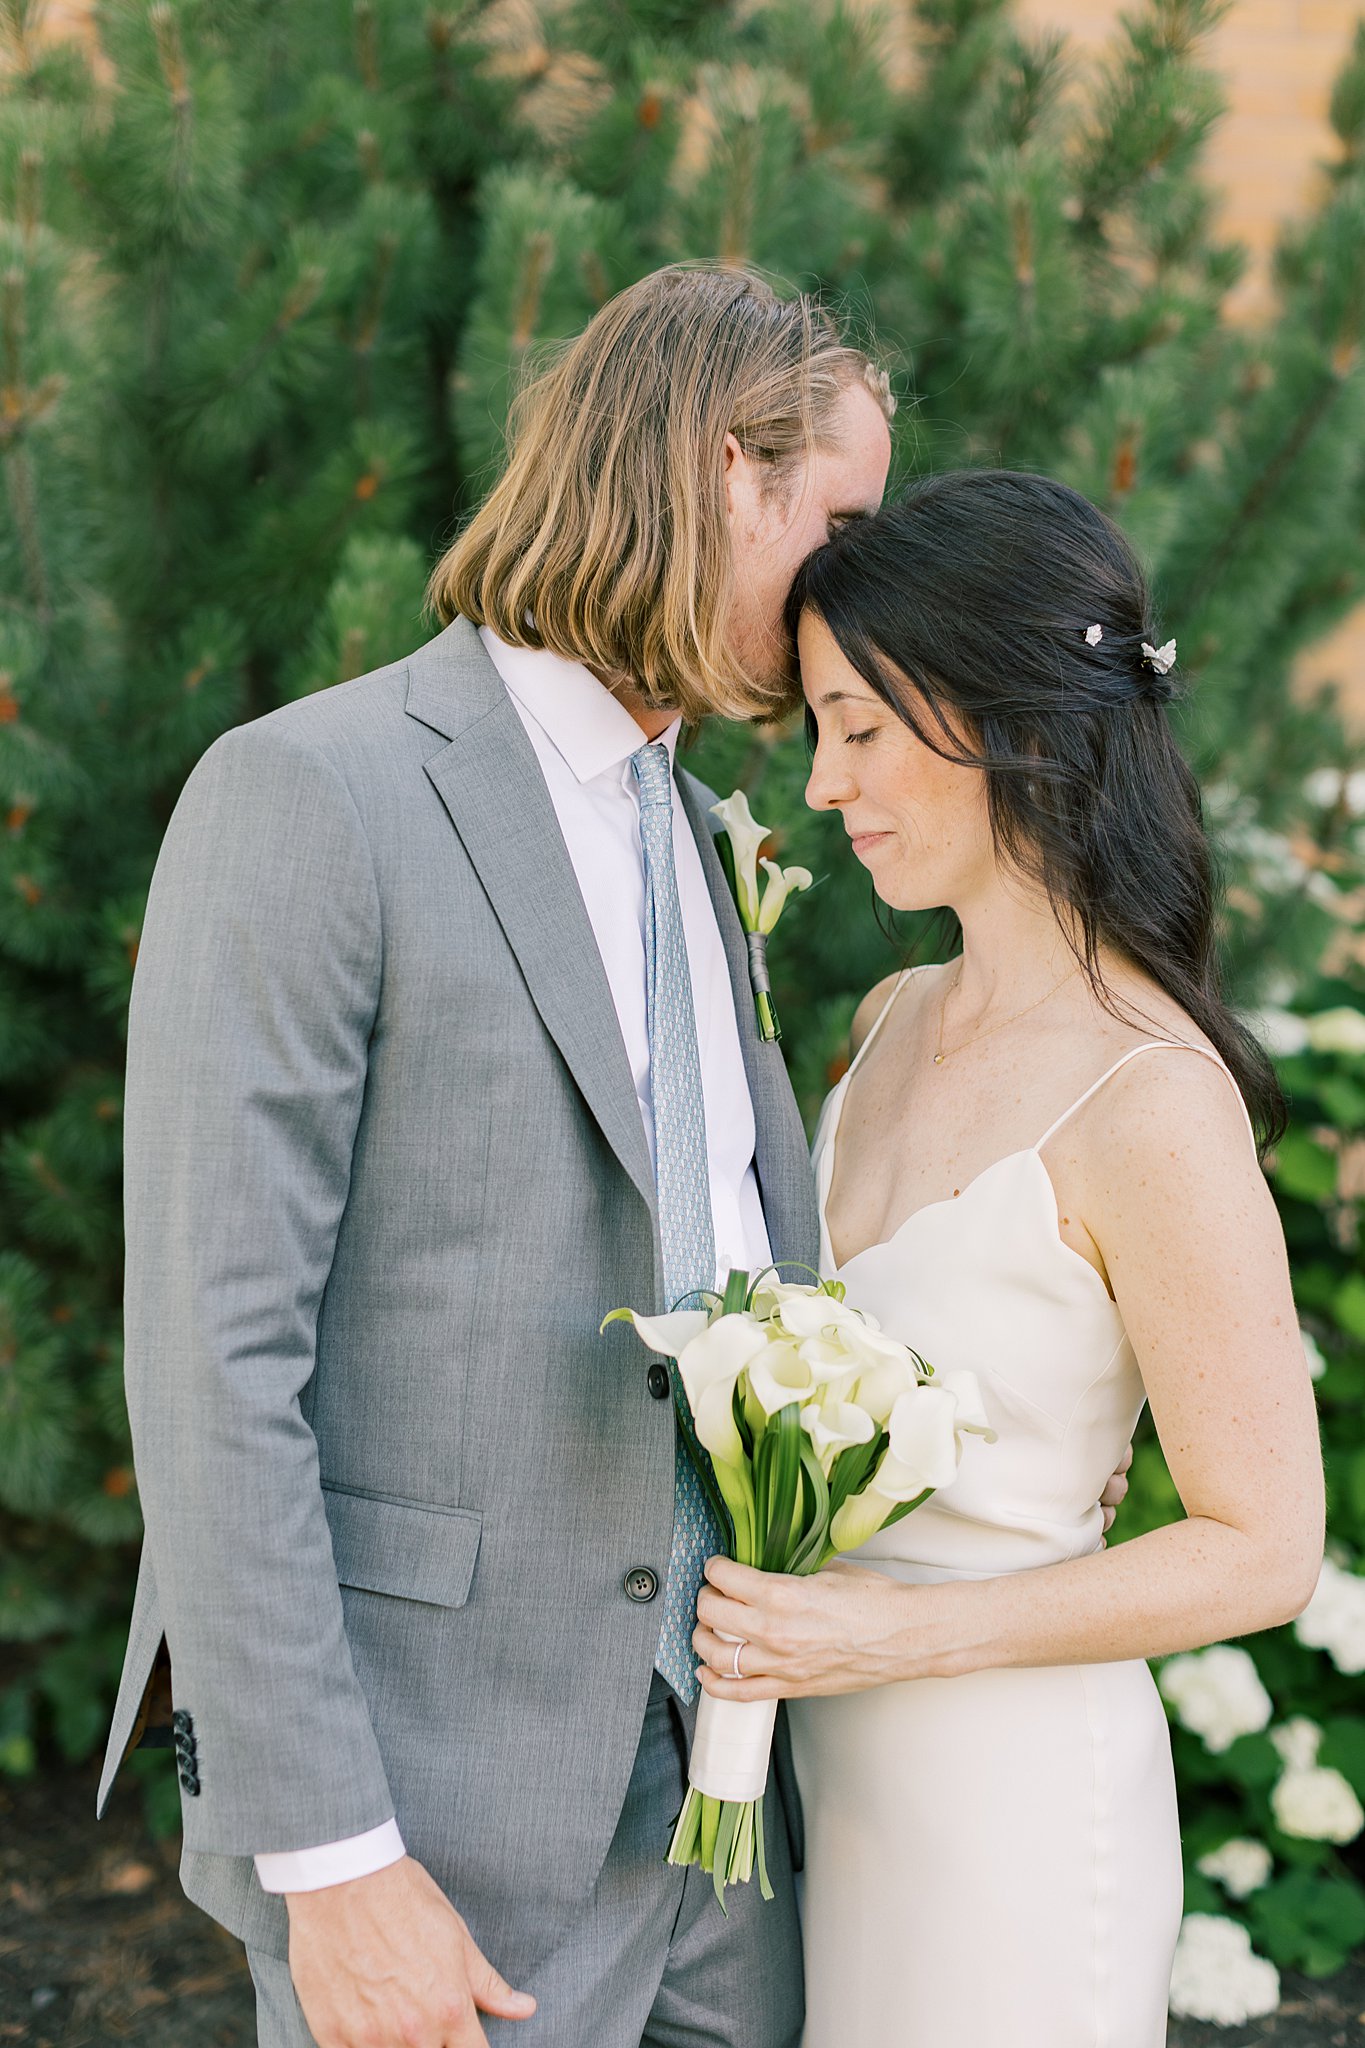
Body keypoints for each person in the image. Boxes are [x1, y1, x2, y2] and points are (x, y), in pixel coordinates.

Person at [96, 262, 896, 2048]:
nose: (862, 580)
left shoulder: (702, 833)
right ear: (719, 471)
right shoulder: (314, 792)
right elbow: (214, 1355)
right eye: (838, 519)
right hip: (432, 1829)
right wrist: (330, 1856)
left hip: (725, 1826)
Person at [689, 470, 1326, 2048]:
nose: (826, 787)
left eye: (859, 728)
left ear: (1013, 724)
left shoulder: (1151, 1099)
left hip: (1015, 1810)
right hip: (828, 1787)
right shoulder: (885, 1023)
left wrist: (894, 1633)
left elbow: (1263, 1545)